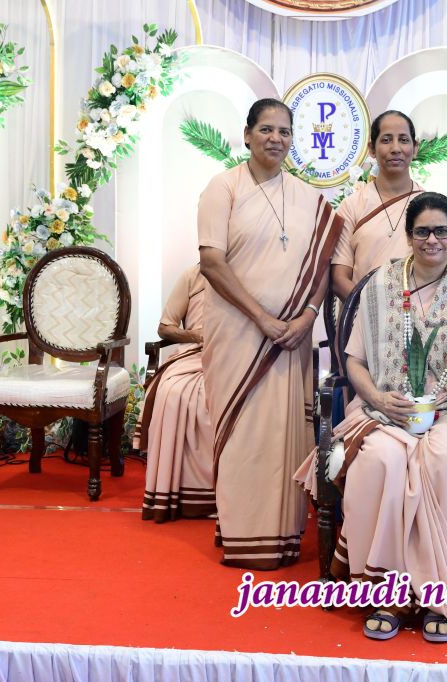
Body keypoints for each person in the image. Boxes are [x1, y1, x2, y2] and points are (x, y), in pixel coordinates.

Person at [297, 192, 447, 642]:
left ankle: (436, 597)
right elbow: (354, 362)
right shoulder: (380, 285)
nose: (432, 240)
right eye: (422, 231)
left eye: (441, 230)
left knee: (445, 460)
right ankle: (386, 592)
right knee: (379, 461)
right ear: (408, 236)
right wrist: (379, 399)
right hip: (384, 411)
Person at [197, 98, 342, 569]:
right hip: (239, 332)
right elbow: (212, 263)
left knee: (282, 434)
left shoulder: (308, 198)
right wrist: (261, 318)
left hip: (291, 338)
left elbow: (323, 265)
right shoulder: (223, 188)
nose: (275, 139)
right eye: (266, 129)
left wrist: (308, 316)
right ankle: (242, 532)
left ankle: (280, 535)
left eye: (284, 131)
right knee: (242, 432)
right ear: (246, 134)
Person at [135, 264, 214, 522]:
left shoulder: (251, 271)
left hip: (238, 355)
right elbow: (165, 328)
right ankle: (174, 491)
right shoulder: (193, 275)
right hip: (196, 353)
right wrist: (197, 336)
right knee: (174, 391)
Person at [330, 110, 424, 301]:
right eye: (386, 140)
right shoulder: (352, 206)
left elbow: (445, 273)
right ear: (372, 149)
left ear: (415, 148)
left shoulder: (431, 207)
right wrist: (372, 310)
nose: (395, 148)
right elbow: (339, 279)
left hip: (417, 315)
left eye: (403, 140)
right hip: (361, 313)